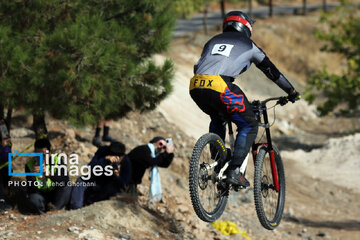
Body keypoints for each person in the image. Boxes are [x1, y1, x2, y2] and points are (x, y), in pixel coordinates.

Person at [189, 11, 300, 187]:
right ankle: (234, 171)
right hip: (220, 85)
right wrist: (291, 91)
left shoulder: (211, 41)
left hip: (196, 85)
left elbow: (200, 65)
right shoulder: (249, 45)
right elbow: (271, 71)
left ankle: (219, 160)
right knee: (249, 125)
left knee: (217, 117)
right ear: (246, 27)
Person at [70, 141, 131, 209]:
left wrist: (117, 175)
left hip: (109, 184)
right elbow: (90, 167)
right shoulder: (103, 151)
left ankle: (90, 203)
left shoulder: (126, 162)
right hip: (96, 178)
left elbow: (124, 183)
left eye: (118, 158)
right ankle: (76, 207)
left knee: (110, 188)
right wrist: (105, 160)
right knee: (81, 181)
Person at [25, 138, 72, 214]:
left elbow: (65, 180)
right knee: (33, 198)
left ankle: (55, 210)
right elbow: (30, 190)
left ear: (49, 153)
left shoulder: (57, 160)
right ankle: (42, 213)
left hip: (56, 193)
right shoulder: (29, 165)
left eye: (43, 155)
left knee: (67, 187)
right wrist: (33, 178)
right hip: (42, 195)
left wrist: (49, 174)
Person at [0, 120, 12, 211]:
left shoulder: (5, 141)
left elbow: (6, 158)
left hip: (4, 169)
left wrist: (5, 147)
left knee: (7, 172)